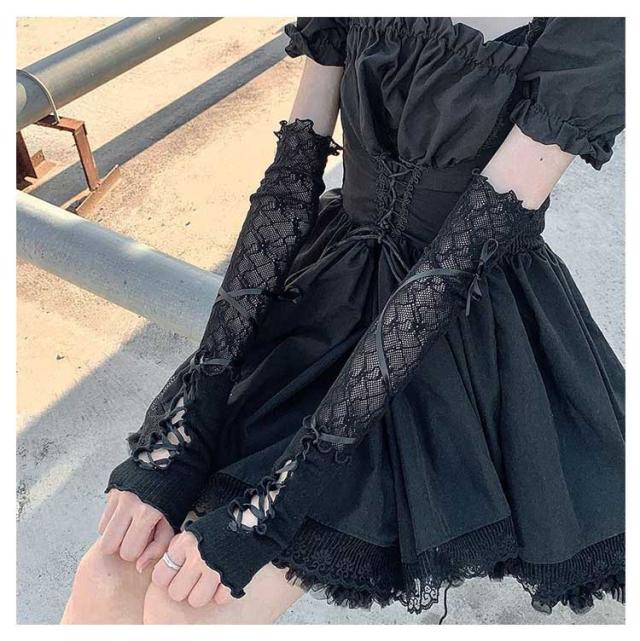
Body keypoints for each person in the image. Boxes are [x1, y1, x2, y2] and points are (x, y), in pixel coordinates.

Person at [62, 17, 625, 624]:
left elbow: (451, 266)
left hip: (447, 339)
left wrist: (270, 515)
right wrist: (184, 435)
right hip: (329, 288)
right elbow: (288, 186)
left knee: (185, 611)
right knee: (110, 570)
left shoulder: (593, 30)